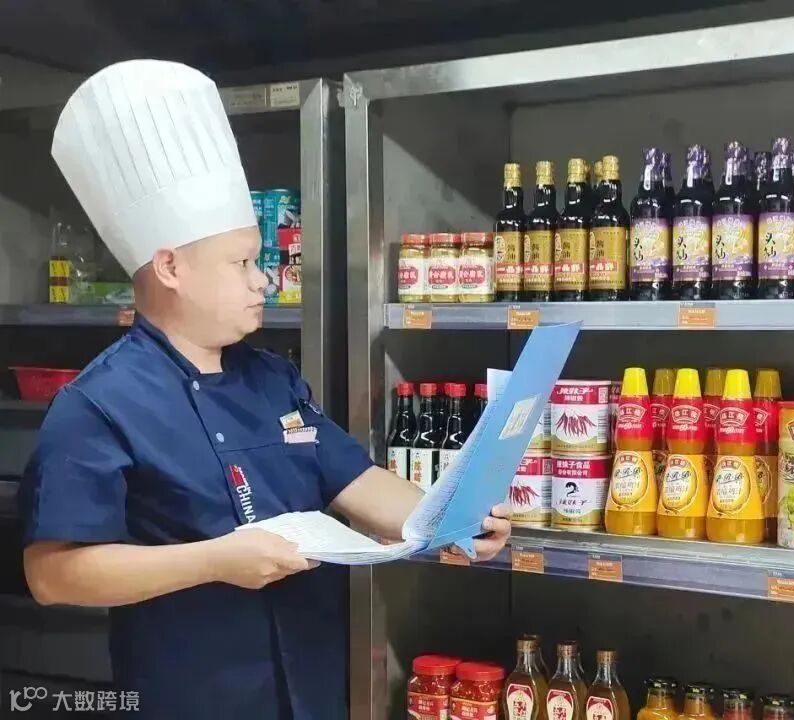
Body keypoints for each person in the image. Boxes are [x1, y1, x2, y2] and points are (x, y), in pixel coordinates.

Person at [19, 59, 511, 720]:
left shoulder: (272, 378)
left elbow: (354, 480)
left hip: (315, 689)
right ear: (171, 267)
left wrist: (451, 520)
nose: (264, 281)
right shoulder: (97, 405)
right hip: (196, 699)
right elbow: (52, 575)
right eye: (242, 263)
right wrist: (213, 562)